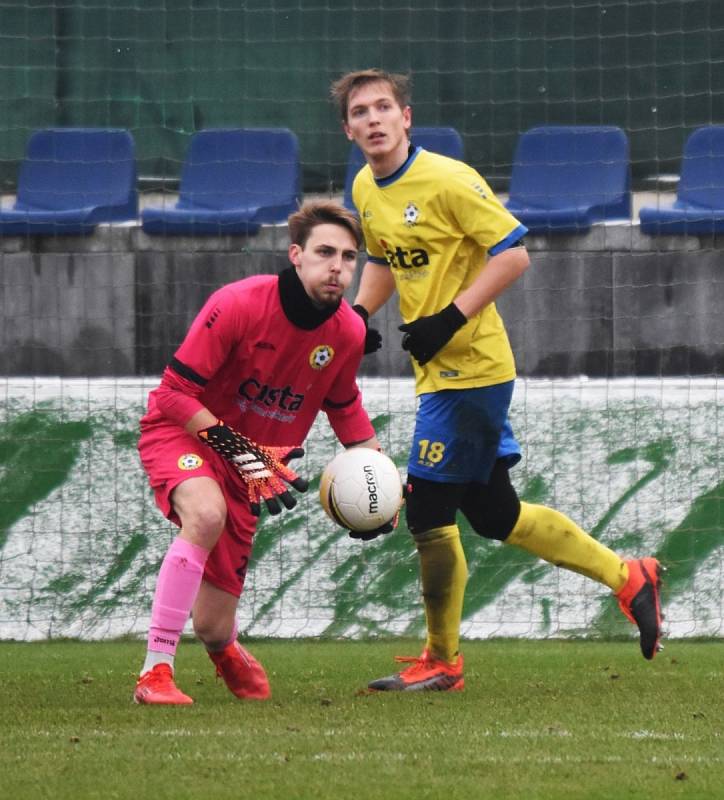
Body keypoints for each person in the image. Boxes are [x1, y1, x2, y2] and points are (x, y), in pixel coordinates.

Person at [330, 68, 663, 692]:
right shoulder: (365, 189)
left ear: (406, 118)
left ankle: (442, 660)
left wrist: (449, 317)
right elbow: (382, 258)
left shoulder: (449, 179)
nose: (372, 120)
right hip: (436, 372)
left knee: (427, 507)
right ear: (347, 128)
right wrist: (357, 316)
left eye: (383, 108)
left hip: (473, 369)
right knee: (495, 514)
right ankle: (631, 577)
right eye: (359, 112)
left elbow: (514, 253)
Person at [134, 200, 381, 705]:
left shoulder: (349, 332)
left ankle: (226, 650)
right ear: (296, 255)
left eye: (350, 257)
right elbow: (172, 394)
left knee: (211, 625)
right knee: (204, 514)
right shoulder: (240, 303)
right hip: (182, 432)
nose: (338, 266)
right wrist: (237, 448)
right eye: (325, 252)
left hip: (253, 469)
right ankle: (155, 673)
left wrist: (385, 485)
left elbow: (345, 406)